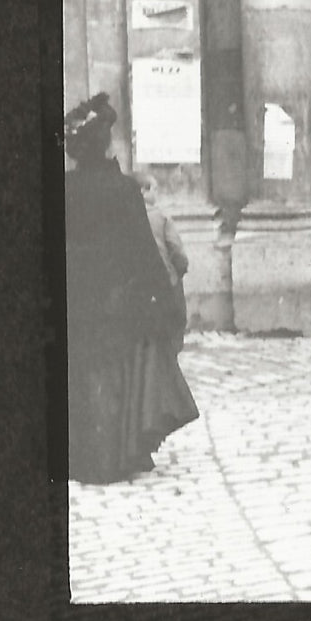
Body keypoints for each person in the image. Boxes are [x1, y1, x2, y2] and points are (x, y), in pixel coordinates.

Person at [63, 93, 199, 484]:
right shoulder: (123, 190)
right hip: (118, 300)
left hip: (77, 299)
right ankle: (116, 456)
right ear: (106, 144)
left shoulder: (64, 189)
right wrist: (163, 295)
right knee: (120, 376)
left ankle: (82, 456)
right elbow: (143, 248)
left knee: (83, 374)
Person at [137, 172, 190, 352]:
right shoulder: (162, 217)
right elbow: (176, 250)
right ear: (144, 191)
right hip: (165, 282)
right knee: (175, 323)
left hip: (136, 286)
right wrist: (180, 271)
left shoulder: (124, 218)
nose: (157, 194)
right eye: (155, 189)